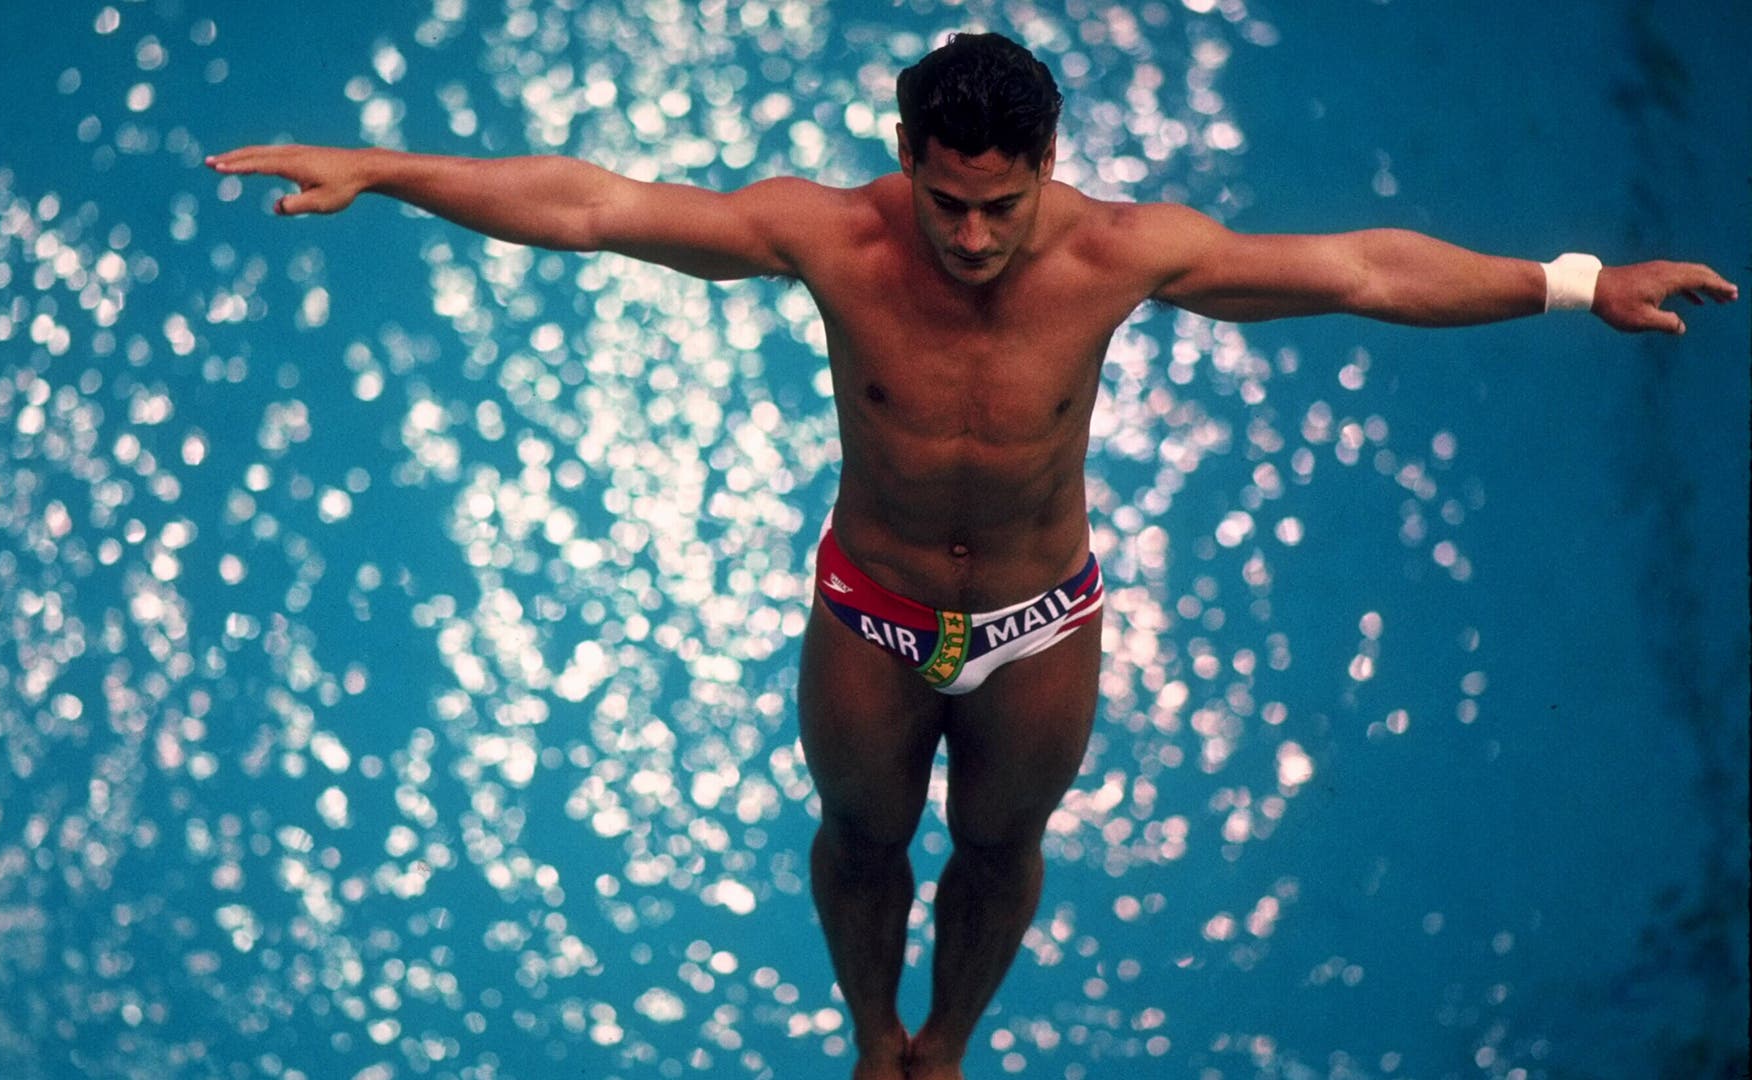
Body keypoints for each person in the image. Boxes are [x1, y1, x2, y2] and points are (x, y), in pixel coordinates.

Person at [207, 32, 1737, 1080]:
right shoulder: (830, 237)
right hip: (869, 608)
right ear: (906, 158)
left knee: (1003, 850)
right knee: (859, 842)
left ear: (1047, 166)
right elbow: (600, 203)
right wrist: (385, 165)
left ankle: (950, 1048)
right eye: (948, 200)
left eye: (1003, 204)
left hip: (1037, 618)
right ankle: (879, 1042)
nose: (976, 238)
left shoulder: (1122, 252)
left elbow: (1354, 270)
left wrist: (1573, 281)